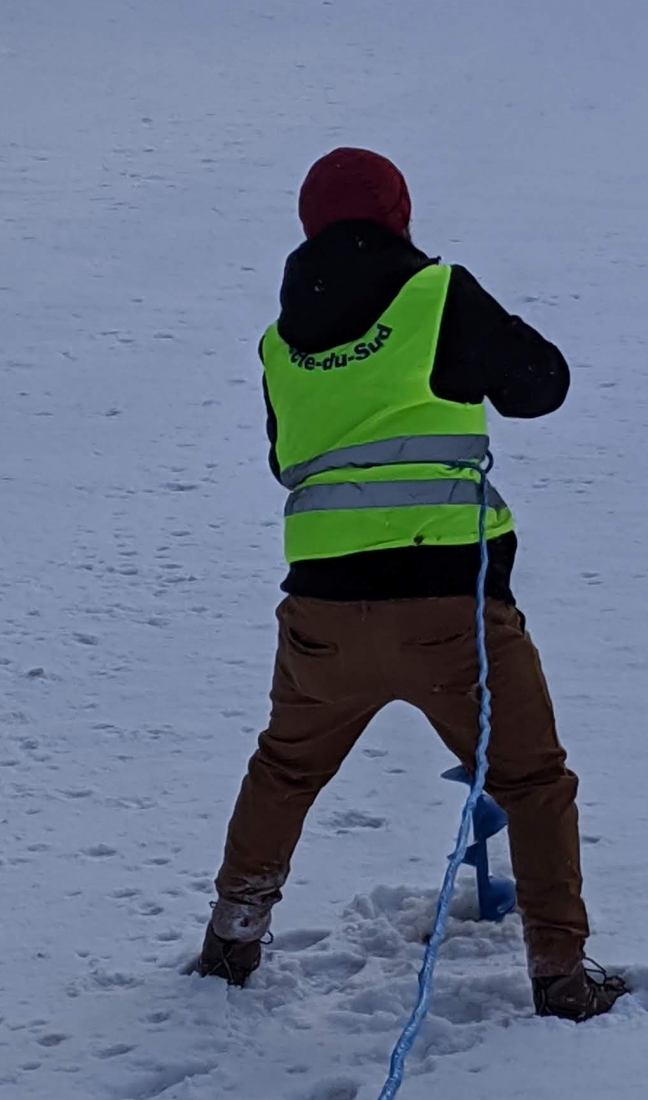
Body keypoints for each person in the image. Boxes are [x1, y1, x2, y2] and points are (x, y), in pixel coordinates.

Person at [198, 146, 626, 1021]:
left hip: (319, 616)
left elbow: (289, 459)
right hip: (449, 613)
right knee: (533, 784)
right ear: (398, 216)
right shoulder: (435, 295)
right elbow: (542, 386)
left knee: (283, 770)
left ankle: (232, 940)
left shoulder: (280, 343)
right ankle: (561, 977)